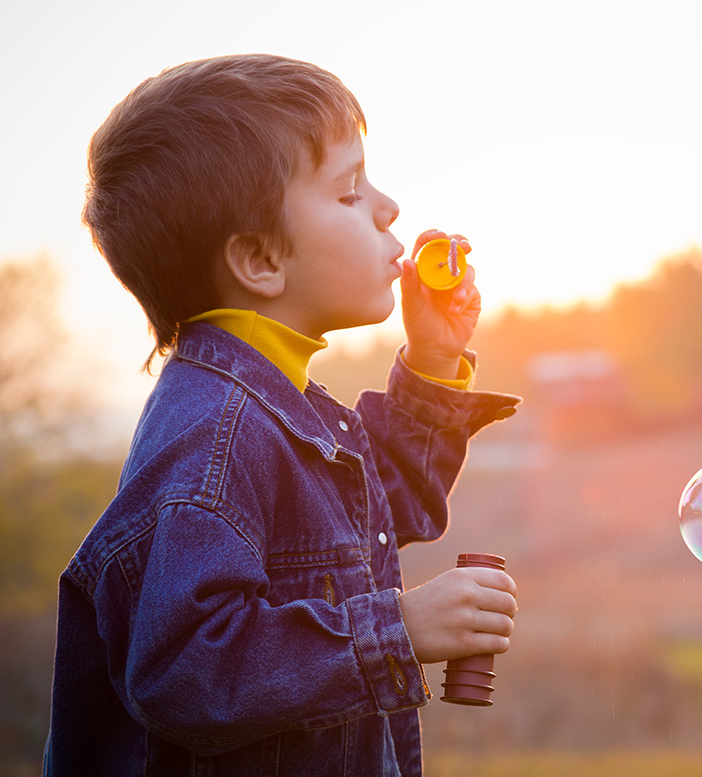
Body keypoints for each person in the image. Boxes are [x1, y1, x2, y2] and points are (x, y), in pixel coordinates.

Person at [44, 53, 520, 776]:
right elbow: (187, 668)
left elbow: (372, 517)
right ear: (261, 260)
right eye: (350, 193)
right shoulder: (213, 431)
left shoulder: (273, 406)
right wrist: (400, 626)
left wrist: (430, 363)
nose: (388, 207)